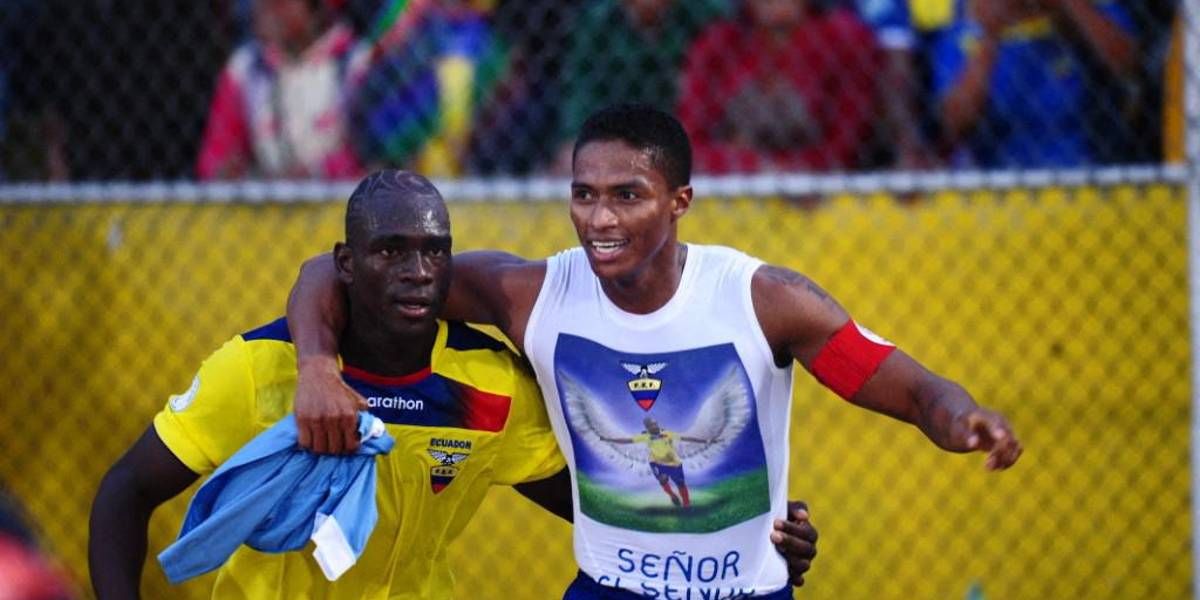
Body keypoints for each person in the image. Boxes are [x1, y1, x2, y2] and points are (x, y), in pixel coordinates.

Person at [287, 104, 1020, 598]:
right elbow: (338, 269)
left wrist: (963, 420)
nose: (599, 219)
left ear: (680, 200)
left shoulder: (762, 300)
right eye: (583, 194)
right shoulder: (531, 294)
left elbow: (912, 388)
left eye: (627, 195)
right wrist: (317, 366)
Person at [88, 169, 818, 599]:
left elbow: (608, 502)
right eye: (390, 251)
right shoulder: (258, 373)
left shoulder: (487, 386)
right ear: (347, 262)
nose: (416, 272)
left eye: (434, 252)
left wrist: (750, 529)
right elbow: (124, 493)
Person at [677, 0, 882, 173]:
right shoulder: (719, 44)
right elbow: (688, 145)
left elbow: (845, 149)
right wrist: (758, 167)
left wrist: (786, 170)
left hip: (822, 193)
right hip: (732, 188)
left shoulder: (844, 40)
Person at [933, 0, 1137, 167]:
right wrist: (991, 35)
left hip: (1083, 169)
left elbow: (1128, 65)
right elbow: (953, 125)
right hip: (997, 180)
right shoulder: (964, 27)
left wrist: (1070, 5)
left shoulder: (1088, 12)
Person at [196, 0, 366, 180]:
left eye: (280, 3)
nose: (264, 8)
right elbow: (214, 156)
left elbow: (376, 158)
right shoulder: (245, 69)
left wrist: (317, 173)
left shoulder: (357, 64)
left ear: (319, 9)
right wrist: (228, 172)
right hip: (269, 202)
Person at [598, 416, 709, 508]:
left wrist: (706, 441)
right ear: (647, 427)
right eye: (650, 425)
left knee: (681, 484)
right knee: (663, 480)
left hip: (674, 463)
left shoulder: (667, 433)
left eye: (654, 424)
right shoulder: (645, 436)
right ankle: (672, 495)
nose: (654, 426)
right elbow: (626, 441)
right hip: (656, 463)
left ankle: (686, 505)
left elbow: (686, 438)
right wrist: (608, 440)